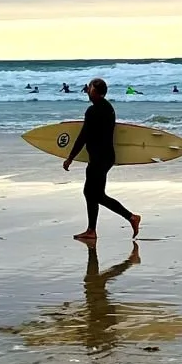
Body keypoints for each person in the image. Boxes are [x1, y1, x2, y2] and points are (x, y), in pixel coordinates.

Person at [63, 78, 141, 243]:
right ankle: (92, 230)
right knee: (92, 193)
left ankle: (131, 217)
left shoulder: (93, 111)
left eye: (90, 89)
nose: (87, 91)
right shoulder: (108, 108)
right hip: (105, 157)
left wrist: (70, 157)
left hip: (99, 159)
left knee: (95, 194)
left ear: (96, 92)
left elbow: (83, 136)